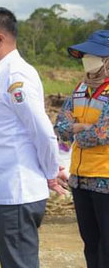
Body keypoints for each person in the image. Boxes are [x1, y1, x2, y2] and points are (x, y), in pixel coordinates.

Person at [0, 7, 67, 268]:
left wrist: (50, 171)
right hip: (5, 190)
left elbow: (42, 131)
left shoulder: (16, 76)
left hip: (17, 191)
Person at [54, 30, 109, 268]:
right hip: (80, 179)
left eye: (93, 56)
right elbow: (61, 128)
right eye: (85, 56)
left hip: (105, 179)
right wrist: (81, 127)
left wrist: (78, 130)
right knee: (90, 242)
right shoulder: (79, 89)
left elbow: (101, 134)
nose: (87, 61)